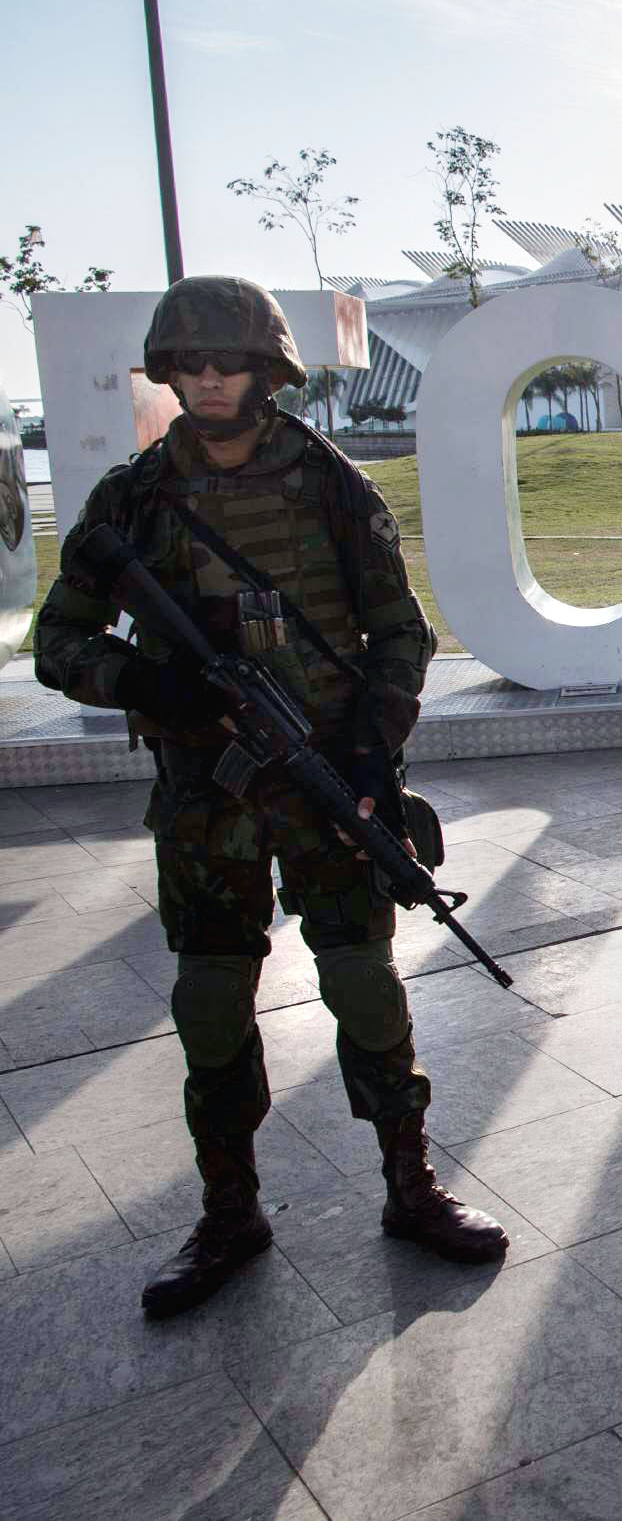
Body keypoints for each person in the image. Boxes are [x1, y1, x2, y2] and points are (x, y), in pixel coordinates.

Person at [35, 276, 507, 1317]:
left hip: (327, 784)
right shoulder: (132, 501)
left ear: (267, 371)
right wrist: (141, 681)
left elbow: (401, 632)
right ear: (168, 372)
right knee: (209, 1004)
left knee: (364, 986)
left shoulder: (328, 483)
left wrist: (374, 752)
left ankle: (411, 1185)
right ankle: (229, 1210)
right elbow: (58, 641)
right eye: (193, 366)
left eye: (229, 364)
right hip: (207, 800)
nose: (209, 382)